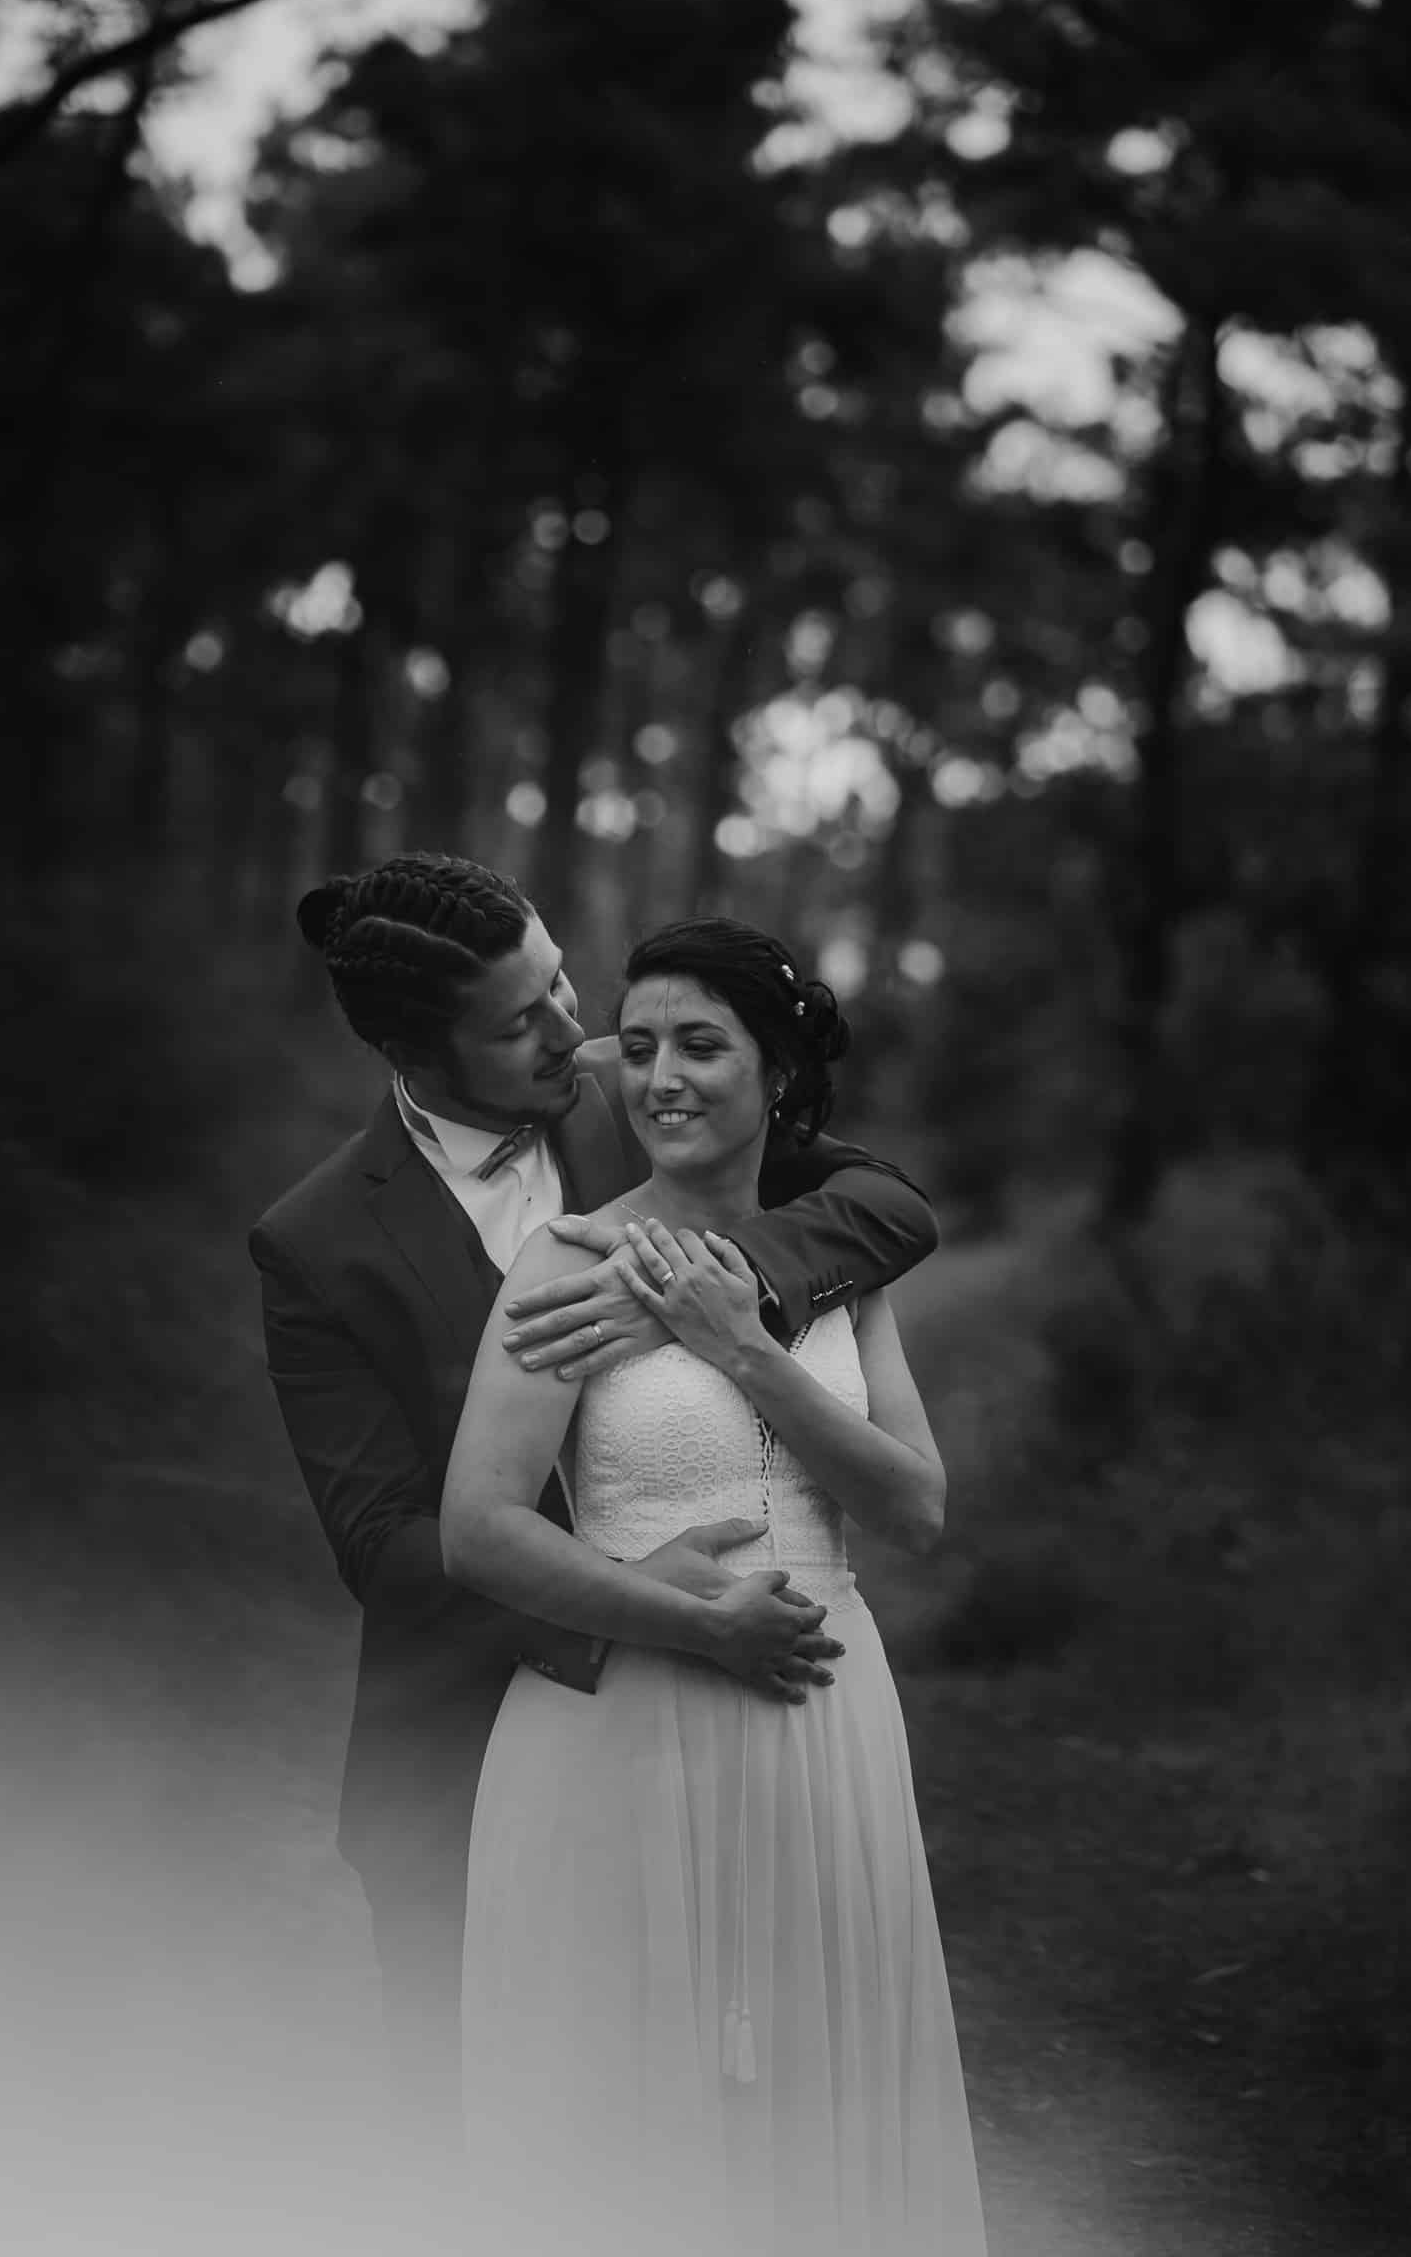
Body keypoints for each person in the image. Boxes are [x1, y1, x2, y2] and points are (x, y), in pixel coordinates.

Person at [248, 854, 940, 2167]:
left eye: (562, 980)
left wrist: (707, 1285)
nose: (574, 1031)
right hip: (467, 1745)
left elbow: (884, 1204)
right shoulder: (320, 1241)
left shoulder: (651, 1086)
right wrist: (636, 1596)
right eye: (521, 1020)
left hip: (739, 1732)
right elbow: (384, 1544)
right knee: (491, 2157)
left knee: (749, 2118)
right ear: (411, 1047)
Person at [442, 915, 987, 2257]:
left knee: (811, 2104)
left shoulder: (839, 1268)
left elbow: (914, 1509)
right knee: (627, 2119)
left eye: (702, 1045)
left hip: (825, 1735)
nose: (662, 1077)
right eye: (638, 1048)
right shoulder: (566, 1265)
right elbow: (477, 1529)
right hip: (625, 1734)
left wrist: (747, 1350)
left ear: (780, 1074)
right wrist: (692, 1619)